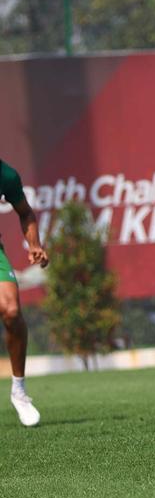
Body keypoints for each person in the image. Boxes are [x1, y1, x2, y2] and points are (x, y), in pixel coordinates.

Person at [1, 160, 49, 427]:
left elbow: (25, 212)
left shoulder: (6, 174)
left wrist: (34, 245)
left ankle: (19, 392)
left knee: (11, 310)